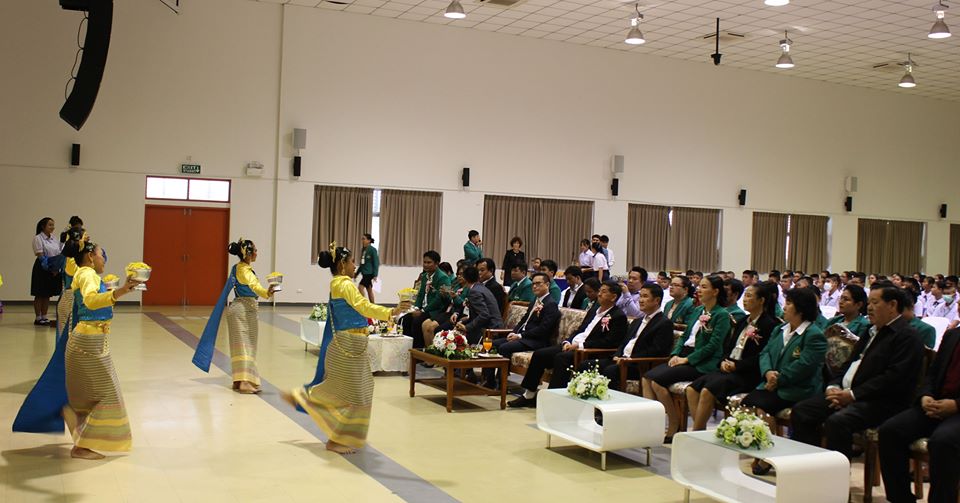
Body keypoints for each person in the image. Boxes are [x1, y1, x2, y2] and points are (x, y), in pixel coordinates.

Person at [15, 238, 143, 459]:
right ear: (91, 256)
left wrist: (121, 290)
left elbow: (94, 303)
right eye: (102, 254)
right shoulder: (87, 274)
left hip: (91, 340)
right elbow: (91, 301)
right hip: (88, 342)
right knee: (107, 393)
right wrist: (120, 291)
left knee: (90, 394)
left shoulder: (86, 274)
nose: (104, 259)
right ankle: (81, 445)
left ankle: (75, 422)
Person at [283, 244, 411, 454]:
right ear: (342, 264)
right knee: (354, 394)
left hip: (351, 344)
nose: (355, 266)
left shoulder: (338, 283)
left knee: (356, 390)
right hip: (348, 344)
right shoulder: (345, 285)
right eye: (352, 261)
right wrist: (392, 312)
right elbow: (363, 306)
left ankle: (309, 403)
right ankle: (333, 435)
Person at [790, 285, 924, 461]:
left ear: (892, 305)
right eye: (869, 303)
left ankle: (838, 475)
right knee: (802, 410)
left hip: (880, 401)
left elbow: (893, 378)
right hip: (849, 394)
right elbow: (847, 364)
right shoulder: (871, 331)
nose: (869, 308)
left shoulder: (907, 336)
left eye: (875, 303)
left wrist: (853, 395)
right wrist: (833, 386)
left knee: (838, 422)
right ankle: (809, 464)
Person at [740, 287, 827, 475]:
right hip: (772, 383)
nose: (784, 307)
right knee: (751, 402)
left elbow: (804, 366)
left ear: (800, 309)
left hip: (798, 388)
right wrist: (768, 373)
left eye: (788, 303)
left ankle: (768, 455)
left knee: (762, 406)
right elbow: (765, 353)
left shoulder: (814, 335)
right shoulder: (780, 329)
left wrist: (778, 379)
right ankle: (768, 449)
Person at [509, 281, 628, 408]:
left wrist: (580, 346)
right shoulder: (594, 310)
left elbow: (609, 342)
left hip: (587, 351)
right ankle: (529, 395)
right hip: (573, 345)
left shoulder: (618, 316)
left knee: (561, 358)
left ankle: (553, 399)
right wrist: (568, 341)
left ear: (613, 297)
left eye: (604, 292)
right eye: (600, 291)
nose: (599, 294)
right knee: (540, 354)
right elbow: (580, 329)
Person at [644, 275, 731, 442]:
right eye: (699, 286)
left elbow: (713, 345)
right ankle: (652, 424)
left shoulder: (721, 315)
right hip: (684, 355)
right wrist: (675, 354)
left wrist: (687, 360)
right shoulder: (698, 310)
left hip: (702, 362)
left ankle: (674, 424)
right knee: (647, 378)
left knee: (657, 381)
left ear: (715, 291)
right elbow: (685, 336)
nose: (699, 290)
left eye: (704, 287)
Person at [879, 327, 960, 503]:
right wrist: (926, 395)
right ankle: (901, 499)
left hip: (956, 410)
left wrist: (956, 405)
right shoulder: (952, 335)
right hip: (937, 403)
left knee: (942, 442)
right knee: (890, 431)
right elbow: (933, 373)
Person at [685, 282, 779, 431]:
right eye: (745, 296)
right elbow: (727, 347)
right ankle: (700, 430)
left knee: (707, 391)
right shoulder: (742, 321)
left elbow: (762, 356)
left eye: (749, 296)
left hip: (747, 373)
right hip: (729, 368)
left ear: (761, 300)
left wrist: (737, 366)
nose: (745, 300)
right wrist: (723, 361)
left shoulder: (769, 325)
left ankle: (696, 432)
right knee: (691, 389)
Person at [580, 283, 674, 391]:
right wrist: (617, 355)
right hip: (622, 360)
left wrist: (630, 359)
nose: (640, 300)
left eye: (645, 296)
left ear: (657, 300)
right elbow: (623, 343)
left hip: (638, 365)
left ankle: (611, 401)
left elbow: (657, 350)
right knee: (586, 365)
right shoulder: (637, 321)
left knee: (610, 370)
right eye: (640, 296)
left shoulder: (664, 323)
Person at [484, 273, 560, 388]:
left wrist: (520, 336)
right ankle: (489, 381)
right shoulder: (535, 300)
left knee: (505, 347)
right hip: (524, 337)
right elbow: (523, 320)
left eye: (538, 283)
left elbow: (543, 329)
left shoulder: (551, 304)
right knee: (492, 344)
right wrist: (514, 332)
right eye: (533, 284)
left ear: (547, 285)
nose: (534, 286)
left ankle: (501, 384)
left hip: (536, 341)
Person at [223, 239, 277, 393]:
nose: (256, 253)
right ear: (248, 254)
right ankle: (244, 383)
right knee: (246, 347)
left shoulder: (237, 267)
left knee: (240, 347)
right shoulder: (245, 271)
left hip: (240, 310)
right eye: (255, 250)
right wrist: (267, 292)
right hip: (243, 311)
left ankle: (239, 380)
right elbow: (254, 286)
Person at [402, 251, 451, 348]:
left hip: (435, 310)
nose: (426, 265)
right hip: (423, 308)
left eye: (429, 262)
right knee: (405, 319)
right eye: (424, 262)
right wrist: (416, 307)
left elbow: (438, 299)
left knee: (417, 321)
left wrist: (423, 311)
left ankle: (419, 349)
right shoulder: (424, 276)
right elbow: (420, 294)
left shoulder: (444, 278)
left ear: (436, 263)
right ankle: (407, 347)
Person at [454, 265, 503, 344]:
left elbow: (484, 315)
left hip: (490, 330)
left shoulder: (474, 291)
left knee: (456, 337)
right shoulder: (480, 287)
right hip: (490, 325)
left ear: (465, 278)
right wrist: (463, 321)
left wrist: (467, 327)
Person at [32, 217, 62, 326]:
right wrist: (49, 267)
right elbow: (40, 255)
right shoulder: (38, 238)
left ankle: (44, 316)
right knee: (40, 293)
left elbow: (59, 252)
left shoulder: (54, 238)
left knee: (47, 294)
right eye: (50, 225)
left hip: (53, 267)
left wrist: (56, 267)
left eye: (53, 225)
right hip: (42, 267)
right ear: (43, 226)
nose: (52, 227)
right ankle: (38, 318)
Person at [355, 233, 379, 303]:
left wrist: (375, 275)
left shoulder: (372, 250)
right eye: (362, 239)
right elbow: (362, 264)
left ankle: (364, 304)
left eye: (364, 239)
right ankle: (373, 305)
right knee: (369, 290)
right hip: (364, 273)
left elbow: (376, 263)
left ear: (369, 240)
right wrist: (356, 274)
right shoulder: (363, 250)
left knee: (360, 287)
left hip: (369, 273)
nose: (362, 240)